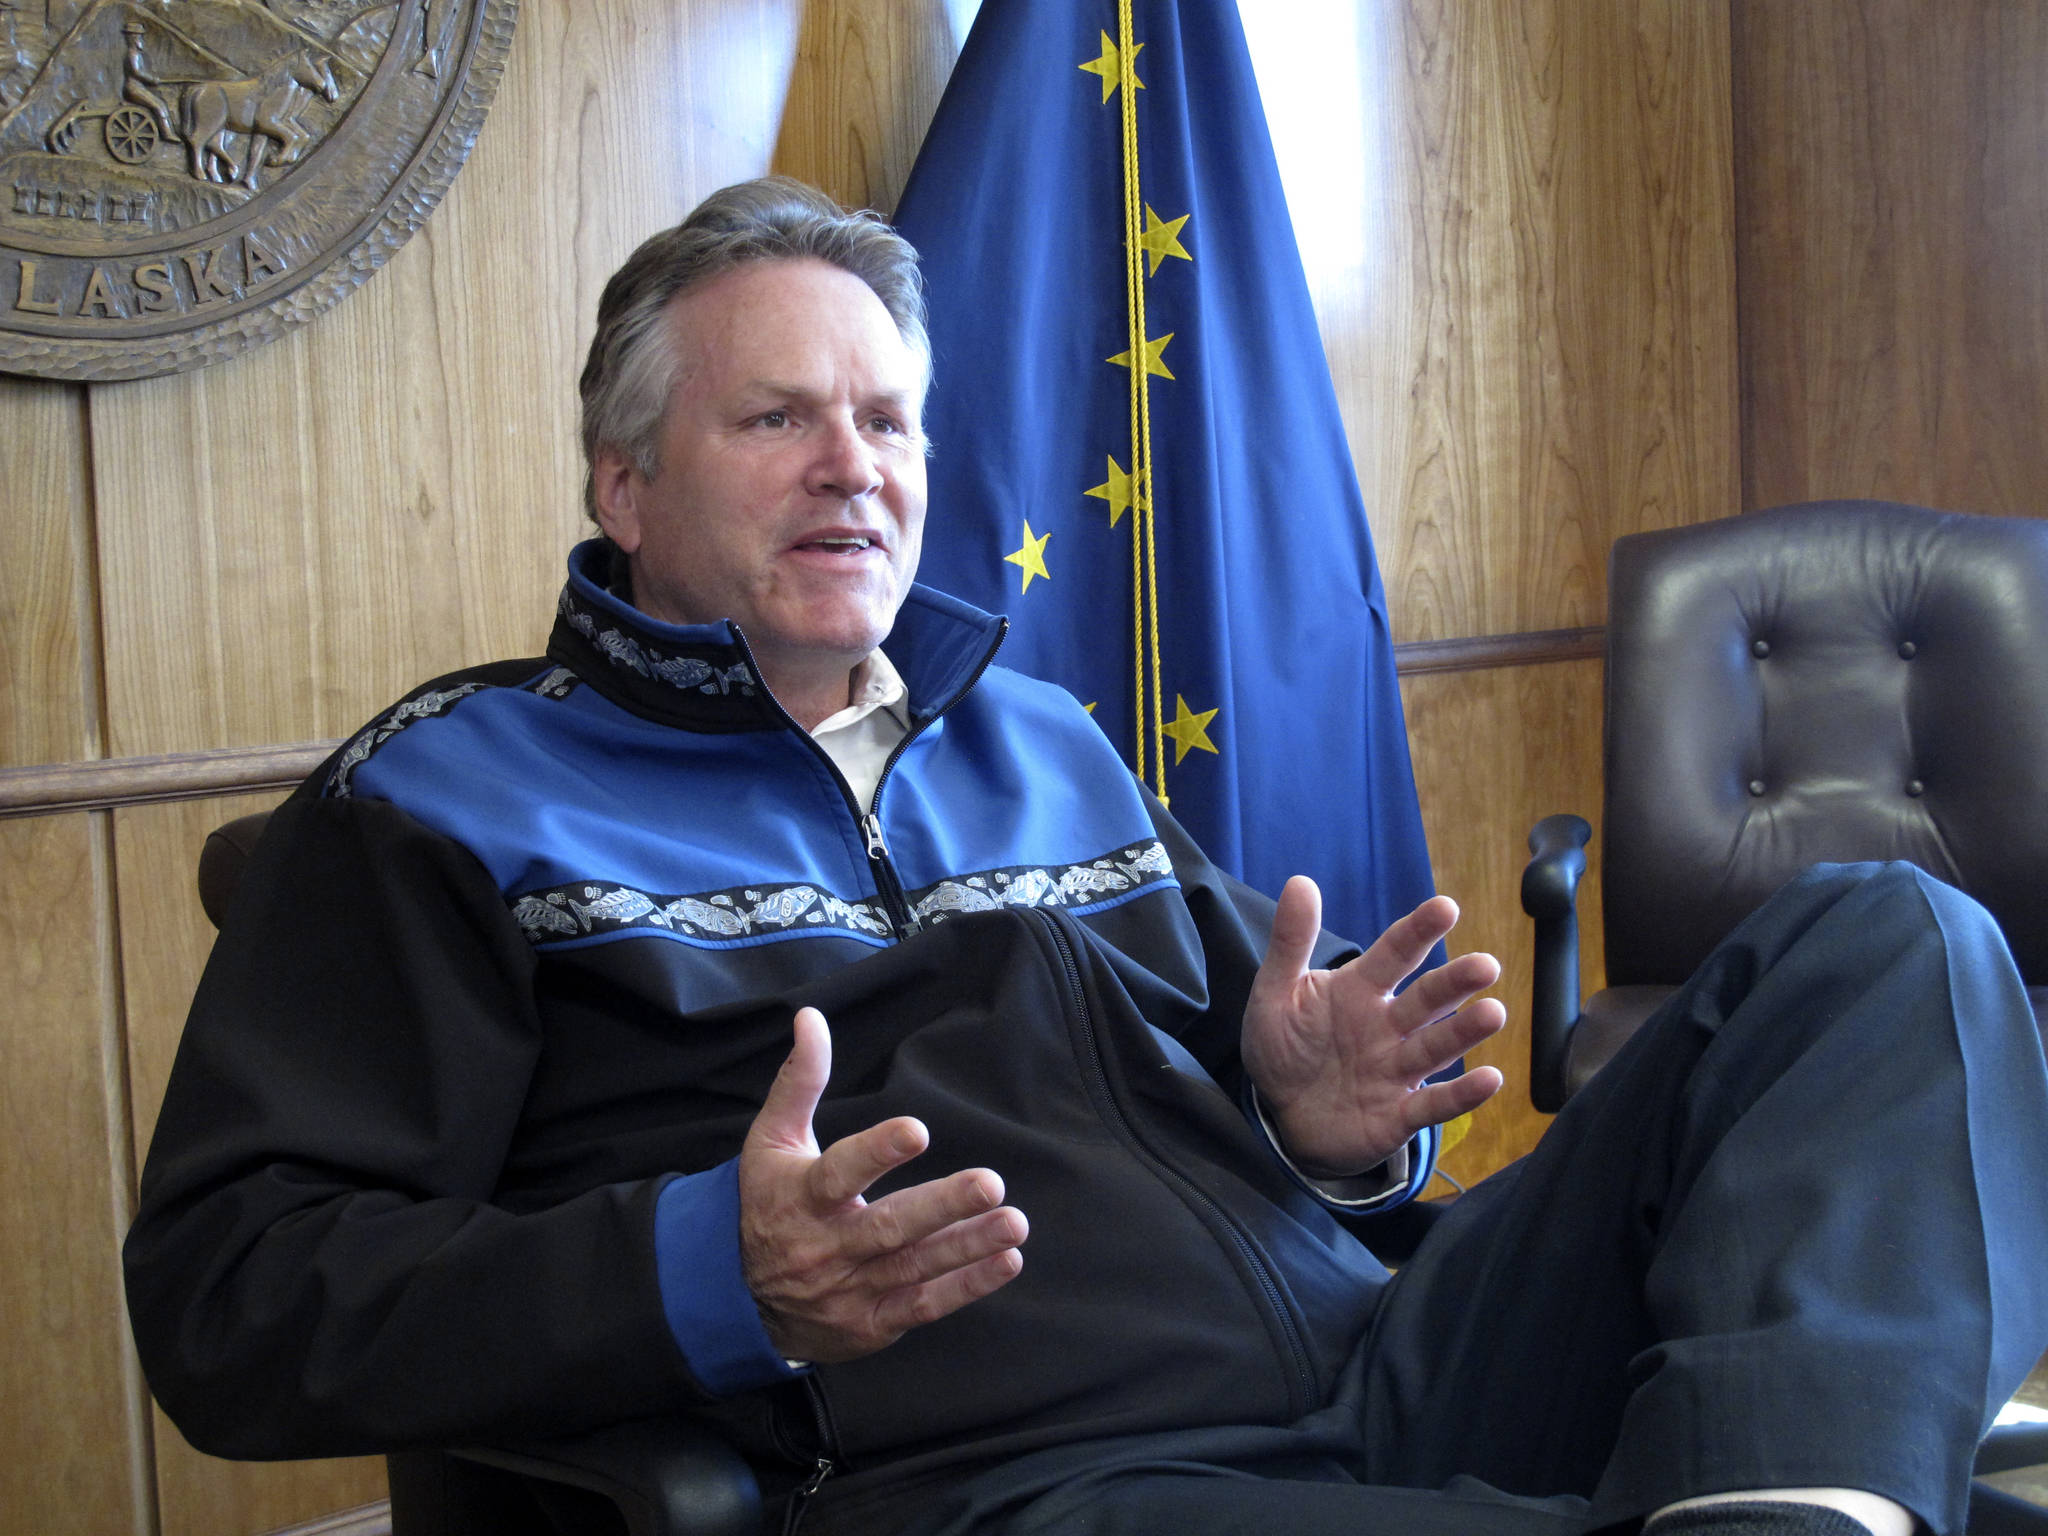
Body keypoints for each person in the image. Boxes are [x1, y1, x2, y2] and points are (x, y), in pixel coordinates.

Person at [124, 178, 2048, 1536]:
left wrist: (1326, 1123)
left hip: (1380, 1355)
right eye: (775, 417)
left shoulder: (1040, 741)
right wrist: (711, 1270)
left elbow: (1288, 1109)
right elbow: (230, 1305)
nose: (851, 465)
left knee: (1892, 939)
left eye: (887, 419)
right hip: (1027, 1481)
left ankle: (1793, 1505)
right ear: (624, 485)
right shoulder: (446, 802)